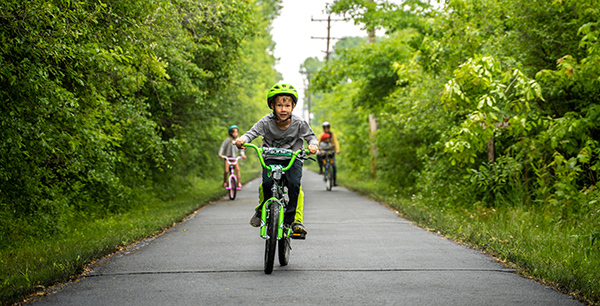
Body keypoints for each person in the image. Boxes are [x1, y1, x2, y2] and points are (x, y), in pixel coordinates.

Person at [236, 83, 318, 234]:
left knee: (294, 185)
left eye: (287, 105)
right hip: (271, 158)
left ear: (293, 107)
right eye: (279, 105)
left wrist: (313, 146)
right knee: (266, 184)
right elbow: (251, 133)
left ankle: (294, 220)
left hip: (293, 158)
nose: (283, 109)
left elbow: (312, 138)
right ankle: (262, 209)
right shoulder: (266, 122)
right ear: (272, 106)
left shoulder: (299, 123)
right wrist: (243, 140)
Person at [218, 125, 246, 189]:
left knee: (238, 170)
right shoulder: (228, 140)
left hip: (235, 158)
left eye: (236, 132)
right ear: (230, 133)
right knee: (226, 171)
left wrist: (242, 155)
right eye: (233, 132)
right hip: (228, 158)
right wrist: (220, 154)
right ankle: (225, 182)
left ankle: (239, 182)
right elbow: (222, 147)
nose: (235, 134)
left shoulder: (238, 141)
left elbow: (241, 149)